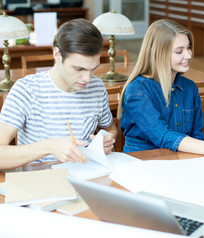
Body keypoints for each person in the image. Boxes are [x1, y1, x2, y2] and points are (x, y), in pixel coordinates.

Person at [0, 19, 118, 170]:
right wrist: (49, 147)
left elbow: (110, 129)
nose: (87, 79)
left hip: (85, 175)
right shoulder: (26, 90)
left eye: (93, 69)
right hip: (39, 182)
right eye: (79, 69)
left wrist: (108, 140)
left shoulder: (97, 87)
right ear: (57, 54)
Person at [118, 19, 204, 158]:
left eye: (188, 48)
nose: (189, 55)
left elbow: (197, 135)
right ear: (159, 54)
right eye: (179, 51)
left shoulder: (190, 88)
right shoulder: (137, 90)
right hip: (144, 162)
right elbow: (162, 135)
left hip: (181, 160)